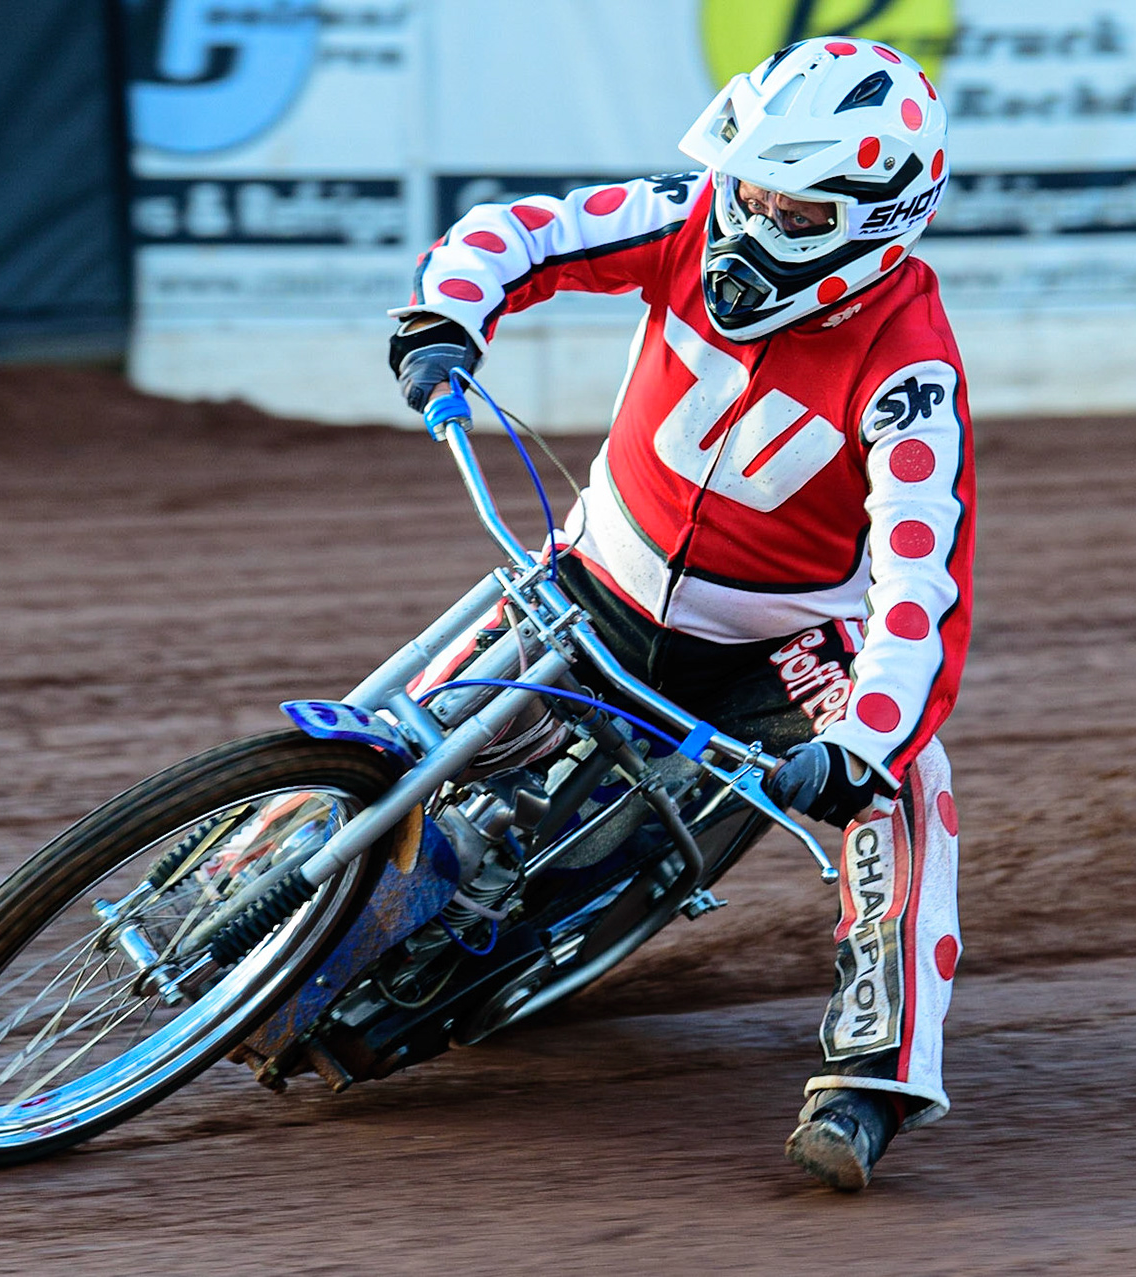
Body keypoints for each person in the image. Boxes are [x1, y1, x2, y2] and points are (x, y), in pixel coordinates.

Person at [387, 36, 970, 1192]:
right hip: (598, 570)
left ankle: (875, 1076)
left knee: (908, 788)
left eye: (792, 210)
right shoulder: (689, 215)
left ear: (877, 222)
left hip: (780, 644)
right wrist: (447, 316)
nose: (749, 222)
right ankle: (274, 846)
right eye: (747, 187)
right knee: (411, 727)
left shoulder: (912, 373)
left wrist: (862, 743)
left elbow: (922, 584)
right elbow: (525, 230)